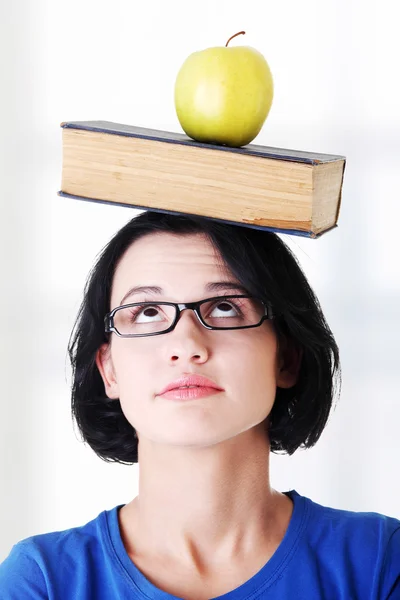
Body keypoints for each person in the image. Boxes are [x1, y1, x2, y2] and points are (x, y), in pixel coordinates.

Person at [0, 210, 399, 599]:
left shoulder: (380, 563)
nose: (187, 346)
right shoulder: (42, 581)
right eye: (147, 312)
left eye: (225, 306)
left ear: (286, 358)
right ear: (109, 370)